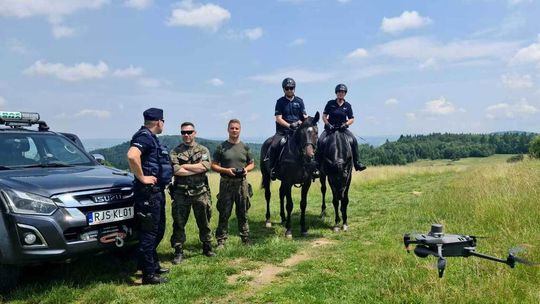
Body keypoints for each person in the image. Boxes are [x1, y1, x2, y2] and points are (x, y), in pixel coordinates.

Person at [127, 108, 173, 285]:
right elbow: (132, 156)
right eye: (163, 121)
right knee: (149, 233)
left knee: (157, 231)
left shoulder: (151, 138)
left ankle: (152, 265)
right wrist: (142, 177)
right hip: (148, 194)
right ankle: (148, 275)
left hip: (156, 193)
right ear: (159, 122)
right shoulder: (144, 137)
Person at [169, 122, 215, 264]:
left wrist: (185, 166)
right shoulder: (175, 152)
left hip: (200, 191)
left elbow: (206, 166)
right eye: (184, 132)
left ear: (195, 133)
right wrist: (196, 167)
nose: (187, 135)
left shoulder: (203, 150)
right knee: (179, 223)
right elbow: (176, 170)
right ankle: (178, 251)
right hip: (181, 193)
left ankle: (207, 247)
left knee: (204, 221)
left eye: (189, 132)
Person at [211, 119, 255, 247]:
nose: (234, 130)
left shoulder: (245, 147)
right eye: (232, 128)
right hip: (226, 183)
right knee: (224, 212)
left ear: (240, 130)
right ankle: (221, 240)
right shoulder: (221, 147)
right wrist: (226, 170)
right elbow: (213, 165)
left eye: (236, 128)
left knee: (243, 212)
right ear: (228, 129)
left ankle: (245, 238)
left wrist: (246, 170)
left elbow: (252, 163)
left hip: (242, 184)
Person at [263, 77, 309, 179]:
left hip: (297, 131)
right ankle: (273, 168)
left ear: (294, 88)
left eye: (291, 88)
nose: (289, 90)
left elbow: (304, 117)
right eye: (287, 88)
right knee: (274, 145)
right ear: (284, 89)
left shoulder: (300, 101)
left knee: (310, 143)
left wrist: (298, 123)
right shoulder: (280, 102)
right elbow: (278, 118)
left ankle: (312, 167)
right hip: (282, 131)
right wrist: (289, 125)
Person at [318, 84, 366, 171]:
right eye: (339, 92)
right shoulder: (330, 103)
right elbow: (324, 115)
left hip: (342, 129)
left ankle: (357, 162)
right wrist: (328, 124)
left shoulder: (347, 105)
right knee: (320, 140)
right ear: (336, 93)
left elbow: (351, 118)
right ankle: (317, 163)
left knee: (354, 140)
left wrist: (346, 124)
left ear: (345, 94)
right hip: (330, 129)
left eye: (343, 92)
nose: (341, 93)